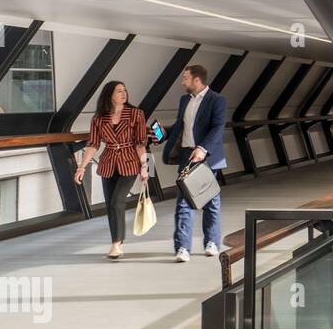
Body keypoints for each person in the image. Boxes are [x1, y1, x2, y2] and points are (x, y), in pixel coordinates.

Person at [75, 81, 149, 260]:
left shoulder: (136, 114)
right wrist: (82, 167)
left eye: (125, 90)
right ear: (110, 95)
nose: (124, 94)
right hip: (108, 163)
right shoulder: (99, 119)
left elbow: (141, 143)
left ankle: (116, 243)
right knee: (110, 205)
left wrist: (146, 167)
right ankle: (117, 241)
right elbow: (93, 144)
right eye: (119, 91)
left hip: (130, 162)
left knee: (117, 201)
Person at [161, 65, 228, 262]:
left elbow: (218, 127)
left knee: (210, 201)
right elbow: (180, 126)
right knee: (183, 202)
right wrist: (163, 133)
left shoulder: (217, 100)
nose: (182, 82)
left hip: (207, 156)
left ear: (196, 80)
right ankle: (182, 247)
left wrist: (203, 148)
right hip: (187, 155)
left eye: (185, 78)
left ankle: (212, 242)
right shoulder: (184, 100)